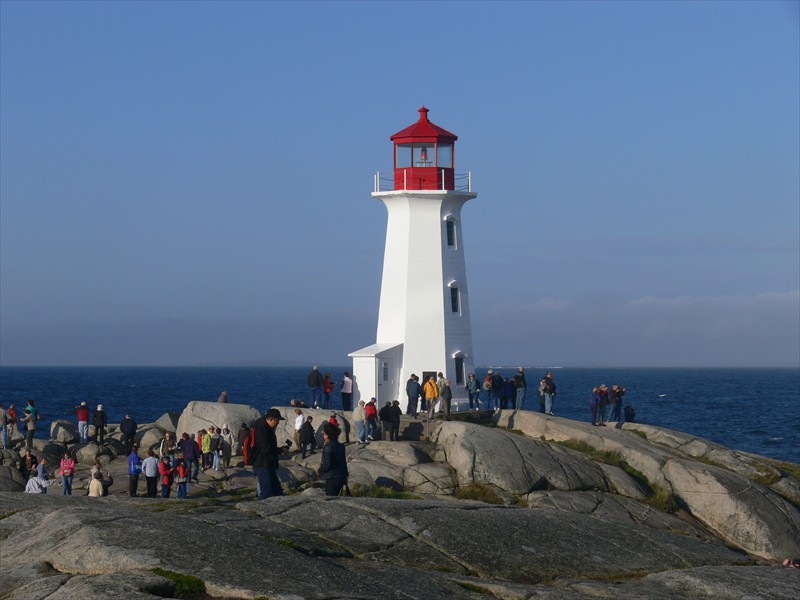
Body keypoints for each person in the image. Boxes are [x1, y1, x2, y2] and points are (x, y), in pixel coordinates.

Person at [252, 408, 288, 499]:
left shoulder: (264, 427)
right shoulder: (262, 429)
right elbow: (265, 448)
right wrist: (280, 450)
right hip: (262, 463)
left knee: (277, 491)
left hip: (268, 463)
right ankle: (263, 510)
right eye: (278, 420)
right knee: (266, 491)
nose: (278, 423)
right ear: (271, 419)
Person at [317, 422, 348, 496]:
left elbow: (327, 464)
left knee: (331, 499)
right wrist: (345, 475)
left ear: (327, 435)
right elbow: (343, 462)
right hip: (341, 475)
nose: (323, 435)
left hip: (332, 477)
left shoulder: (328, 447)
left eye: (323, 434)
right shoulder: (341, 446)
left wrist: (320, 470)